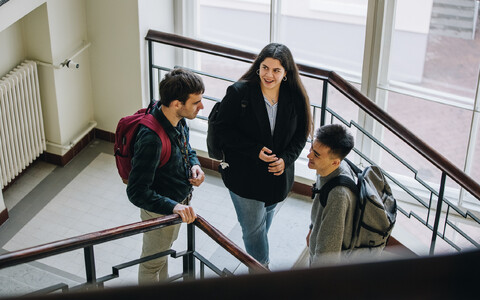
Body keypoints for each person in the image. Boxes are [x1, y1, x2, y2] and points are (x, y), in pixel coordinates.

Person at [215, 43, 312, 269]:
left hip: (276, 179)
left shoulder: (295, 97)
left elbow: (300, 136)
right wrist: (254, 149)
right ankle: (261, 270)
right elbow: (222, 130)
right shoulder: (239, 92)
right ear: (258, 67)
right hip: (244, 178)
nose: (269, 74)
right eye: (265, 67)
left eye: (276, 70)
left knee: (261, 226)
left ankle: (257, 263)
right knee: (253, 231)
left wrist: (286, 160)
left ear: (286, 73)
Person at [127, 68, 206, 284]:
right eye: (196, 102)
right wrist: (174, 207)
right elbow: (136, 192)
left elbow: (186, 147)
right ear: (177, 103)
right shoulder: (151, 139)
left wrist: (194, 164)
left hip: (175, 207)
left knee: (161, 256)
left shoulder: (177, 119)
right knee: (151, 264)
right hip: (159, 213)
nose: (202, 106)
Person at [306, 124, 356, 266]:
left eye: (316, 155)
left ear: (335, 162)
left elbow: (328, 253)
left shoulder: (338, 196)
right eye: (312, 148)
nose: (309, 155)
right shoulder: (327, 169)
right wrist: (312, 228)